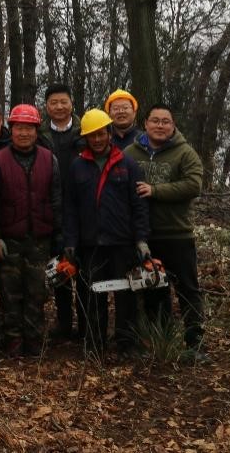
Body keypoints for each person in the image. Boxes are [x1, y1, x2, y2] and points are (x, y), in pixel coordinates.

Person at [63, 109, 150, 356]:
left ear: (109, 133)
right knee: (91, 295)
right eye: (92, 136)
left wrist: (141, 239)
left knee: (126, 295)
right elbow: (70, 208)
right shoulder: (77, 166)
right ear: (86, 138)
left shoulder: (128, 164)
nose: (98, 139)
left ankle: (126, 343)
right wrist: (70, 242)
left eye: (101, 134)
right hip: (90, 244)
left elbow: (139, 206)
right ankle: (94, 342)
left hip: (122, 242)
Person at [124, 103, 205, 359]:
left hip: (177, 233)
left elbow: (193, 185)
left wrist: (156, 190)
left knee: (187, 289)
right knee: (154, 290)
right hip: (145, 236)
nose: (160, 126)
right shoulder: (130, 153)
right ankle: (162, 341)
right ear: (145, 124)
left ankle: (195, 343)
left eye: (165, 121)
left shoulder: (185, 153)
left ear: (173, 126)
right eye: (155, 121)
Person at [0, 104, 62, 357]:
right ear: (11, 130)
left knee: (37, 292)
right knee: (10, 293)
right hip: (9, 239)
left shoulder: (48, 159)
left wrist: (58, 235)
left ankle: (34, 339)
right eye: (19, 128)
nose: (24, 133)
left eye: (29, 128)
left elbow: (56, 199)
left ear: (36, 130)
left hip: (40, 239)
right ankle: (12, 340)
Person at [41, 82, 85, 341]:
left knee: (84, 267)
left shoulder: (86, 130)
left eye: (63, 102)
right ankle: (64, 322)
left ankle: (87, 322)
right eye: (53, 103)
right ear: (47, 107)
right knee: (60, 267)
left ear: (71, 104)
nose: (59, 106)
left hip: (83, 207)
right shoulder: (39, 134)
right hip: (52, 208)